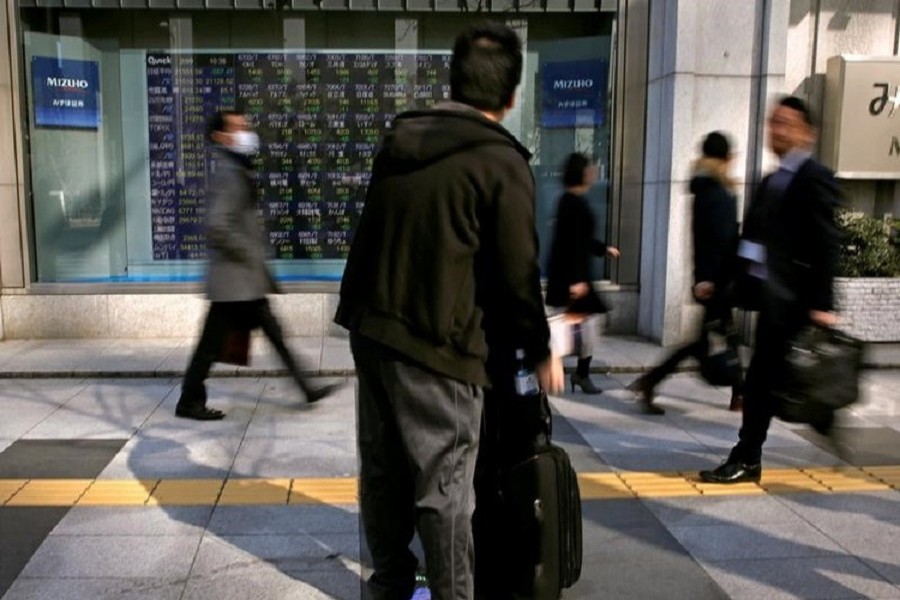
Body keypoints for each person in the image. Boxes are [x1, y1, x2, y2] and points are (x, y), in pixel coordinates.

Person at [334, 21, 563, 600]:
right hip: (439, 342)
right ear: (510, 97)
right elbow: (517, 275)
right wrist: (540, 352)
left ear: (454, 81)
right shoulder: (498, 161)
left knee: (384, 472)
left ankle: (388, 583)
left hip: (372, 328)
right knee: (446, 488)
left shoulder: (399, 141)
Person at [700, 96, 841, 484]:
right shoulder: (769, 181)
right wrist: (725, 281)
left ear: (806, 133)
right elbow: (751, 241)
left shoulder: (815, 177)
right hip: (770, 302)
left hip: (796, 304)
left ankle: (757, 451)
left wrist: (823, 304)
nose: (776, 130)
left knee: (774, 382)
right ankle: (751, 454)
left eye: (786, 124)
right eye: (773, 123)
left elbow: (827, 242)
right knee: (765, 382)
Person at [176, 110, 338, 421]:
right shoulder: (227, 174)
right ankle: (189, 400)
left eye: (246, 126)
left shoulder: (236, 170)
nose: (246, 133)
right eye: (238, 128)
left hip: (242, 281)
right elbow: (217, 226)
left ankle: (306, 387)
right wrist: (248, 250)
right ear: (220, 137)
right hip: (233, 281)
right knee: (211, 346)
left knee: (272, 334)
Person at [628, 131, 742, 415]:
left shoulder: (707, 189)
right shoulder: (717, 192)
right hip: (717, 281)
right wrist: (710, 279)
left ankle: (739, 393)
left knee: (715, 338)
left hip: (712, 279)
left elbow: (704, 239)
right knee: (709, 340)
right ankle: (652, 382)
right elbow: (719, 240)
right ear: (727, 157)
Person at [544, 152, 620, 395]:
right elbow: (571, 243)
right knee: (572, 325)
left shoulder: (573, 201)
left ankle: (579, 373)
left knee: (586, 324)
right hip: (572, 277)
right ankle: (559, 366)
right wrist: (576, 280)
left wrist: (602, 249)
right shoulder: (571, 202)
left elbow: (582, 240)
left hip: (575, 276)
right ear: (581, 173)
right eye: (589, 168)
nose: (593, 172)